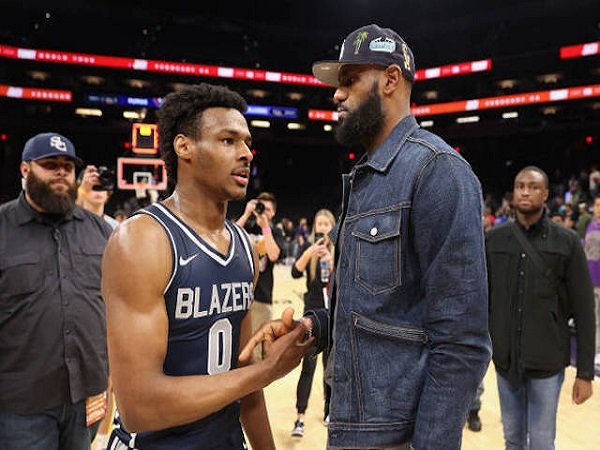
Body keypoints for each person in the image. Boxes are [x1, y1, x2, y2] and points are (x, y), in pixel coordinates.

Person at [242, 24, 491, 450]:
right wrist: (313, 326)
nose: (337, 95)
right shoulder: (366, 178)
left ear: (391, 80)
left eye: (350, 80)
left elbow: (462, 341)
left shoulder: (438, 172)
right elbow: (380, 309)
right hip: (352, 427)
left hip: (397, 438)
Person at [102, 83, 311, 450]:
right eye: (228, 140)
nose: (246, 153)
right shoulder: (142, 240)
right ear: (184, 147)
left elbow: (245, 379)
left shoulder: (246, 249)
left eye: (247, 142)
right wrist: (266, 371)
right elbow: (139, 405)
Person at [0, 132, 112, 450]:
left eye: (67, 165)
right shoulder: (3, 228)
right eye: (50, 164)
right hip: (20, 405)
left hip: (85, 398)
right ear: (25, 170)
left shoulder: (100, 231)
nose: (61, 171)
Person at [487, 166, 595, 449]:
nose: (525, 191)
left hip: (547, 364)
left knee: (542, 442)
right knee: (512, 439)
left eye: (533, 186)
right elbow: (484, 300)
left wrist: (584, 373)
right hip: (506, 363)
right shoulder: (494, 240)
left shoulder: (567, 242)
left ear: (546, 194)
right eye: (520, 185)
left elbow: (584, 311)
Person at [290, 209, 335, 438]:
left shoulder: (339, 250)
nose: (323, 227)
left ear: (334, 226)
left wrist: (333, 261)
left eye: (327, 223)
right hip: (312, 318)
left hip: (333, 317)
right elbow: (295, 272)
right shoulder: (309, 251)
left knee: (331, 368)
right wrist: (310, 252)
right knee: (308, 368)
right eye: (320, 223)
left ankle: (329, 411)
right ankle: (300, 418)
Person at [236, 192, 284, 354]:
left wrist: (265, 227)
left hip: (261, 298)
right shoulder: (247, 227)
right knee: (239, 350)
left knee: (257, 352)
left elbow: (273, 255)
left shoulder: (275, 231)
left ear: (274, 213)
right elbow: (229, 238)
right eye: (261, 207)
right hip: (240, 296)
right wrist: (246, 213)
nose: (264, 212)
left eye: (268, 209)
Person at [584, 193, 600, 367]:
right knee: (594, 318)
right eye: (596, 205)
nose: (598, 208)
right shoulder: (590, 226)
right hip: (591, 279)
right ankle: (596, 351)